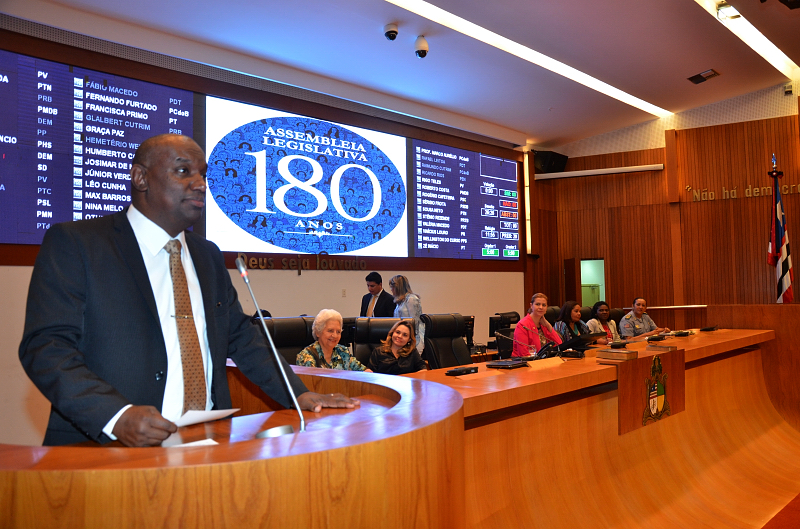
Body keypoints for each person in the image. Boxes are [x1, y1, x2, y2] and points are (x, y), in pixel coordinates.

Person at [18, 134, 357, 448]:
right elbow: (47, 348)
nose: (200, 184)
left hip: (206, 443)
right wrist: (115, 415)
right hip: (106, 450)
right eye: (183, 171)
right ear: (141, 178)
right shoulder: (78, 244)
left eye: (203, 174)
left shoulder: (207, 254)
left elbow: (243, 337)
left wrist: (297, 394)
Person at [296, 309, 371, 371]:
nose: (335, 336)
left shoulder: (343, 352)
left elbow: (364, 371)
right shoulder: (306, 356)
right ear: (318, 332)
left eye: (338, 332)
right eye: (330, 331)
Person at [389, 275, 425, 354]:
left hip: (414, 337)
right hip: (403, 336)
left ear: (397, 287)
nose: (391, 290)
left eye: (392, 287)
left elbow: (415, 321)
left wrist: (411, 339)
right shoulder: (400, 301)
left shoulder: (411, 299)